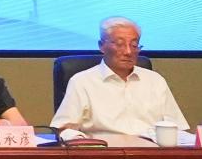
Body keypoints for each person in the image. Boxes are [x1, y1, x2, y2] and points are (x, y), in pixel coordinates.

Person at [52, 17, 188, 138]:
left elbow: (176, 128)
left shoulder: (155, 81)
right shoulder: (82, 82)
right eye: (119, 44)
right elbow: (64, 129)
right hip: (104, 153)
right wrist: (82, 143)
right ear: (101, 46)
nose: (128, 52)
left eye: (134, 45)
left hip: (151, 153)